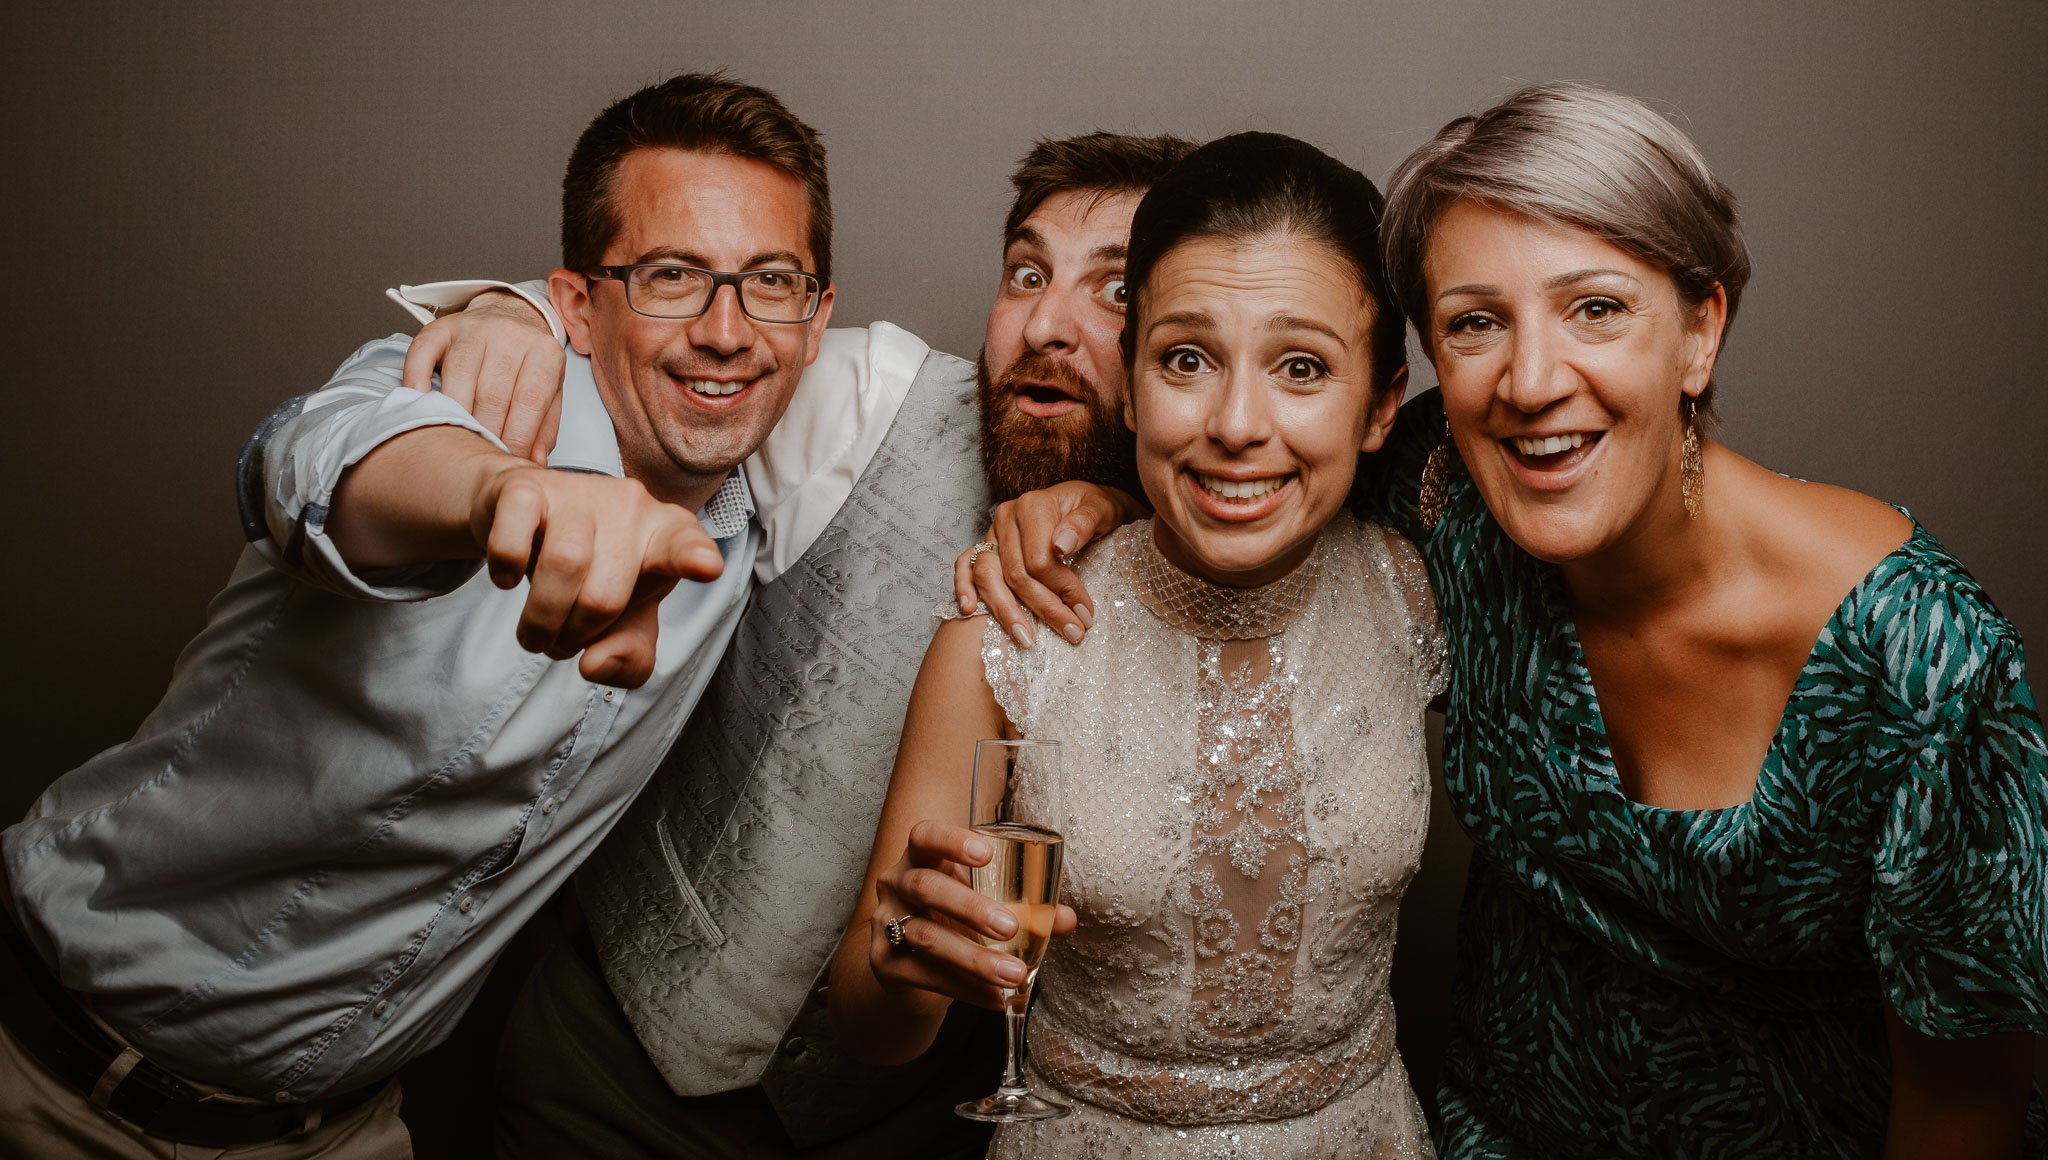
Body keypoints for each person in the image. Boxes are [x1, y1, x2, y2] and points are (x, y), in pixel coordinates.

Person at [962, 84, 2048, 1157]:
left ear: (1699, 329)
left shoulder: (1923, 665)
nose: (1529, 381)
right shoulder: (1448, 489)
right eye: (1475, 323)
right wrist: (1099, 499)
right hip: (1493, 1129)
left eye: (1595, 307)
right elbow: (1245, 465)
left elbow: (1969, 1098)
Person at [0, 71, 853, 1157]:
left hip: (340, 1132)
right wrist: (504, 490)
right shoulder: (456, 394)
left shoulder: (761, 510)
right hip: (48, 1073)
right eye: (672, 275)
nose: (728, 331)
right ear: (578, 305)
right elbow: (312, 459)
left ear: (817, 316)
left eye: (771, 281)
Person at [390, 130, 1196, 1157]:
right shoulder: (872, 402)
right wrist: (515, 313)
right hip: (620, 1074)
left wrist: (1121, 502)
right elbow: (676, 339)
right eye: (1026, 273)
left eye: (1116, 291)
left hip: (918, 1127)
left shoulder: (1245, 543)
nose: (1043, 322)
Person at [827, 131, 1446, 1158]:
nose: (1236, 422)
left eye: (1299, 366)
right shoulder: (1009, 622)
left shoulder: (1419, 596)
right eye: (1186, 359)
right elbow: (868, 1020)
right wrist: (904, 958)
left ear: (1379, 403)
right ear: (1132, 369)